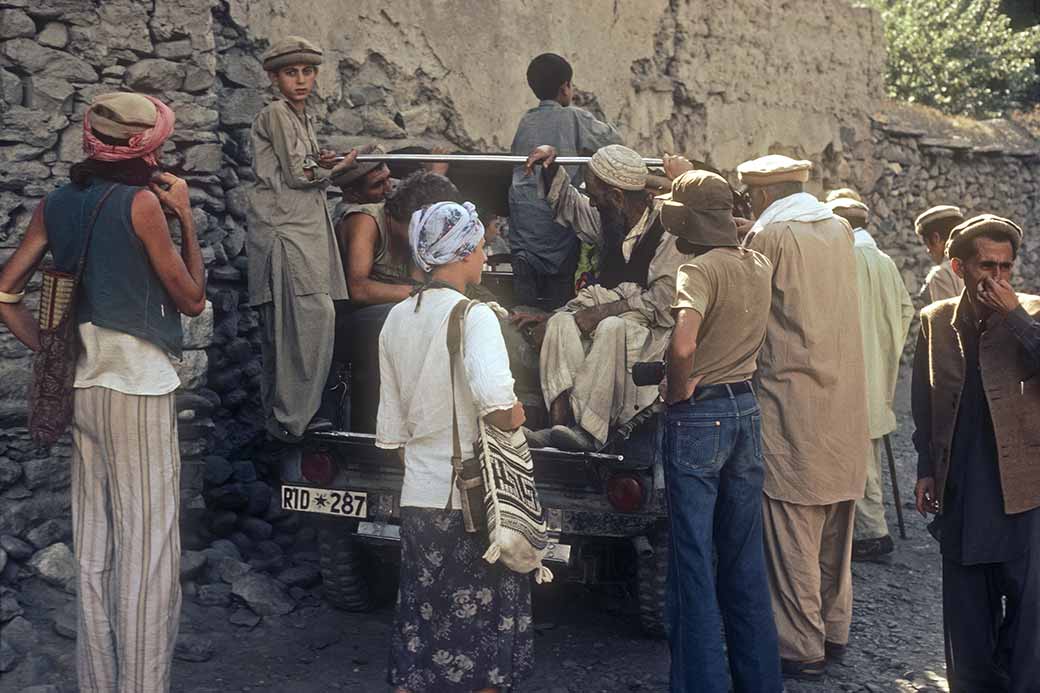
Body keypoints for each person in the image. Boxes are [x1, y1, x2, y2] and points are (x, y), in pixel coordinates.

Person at [0, 92, 205, 692]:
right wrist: (185, 216)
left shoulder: (55, 203)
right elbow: (192, 299)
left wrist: (49, 348)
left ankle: (98, 683)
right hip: (136, 387)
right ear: (145, 149)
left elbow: (5, 292)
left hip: (82, 387)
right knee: (148, 550)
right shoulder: (142, 204)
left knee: (94, 547)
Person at [376, 201, 532, 693]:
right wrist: (518, 414)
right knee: (481, 641)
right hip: (470, 503)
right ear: (462, 253)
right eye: (481, 246)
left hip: (419, 499)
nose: (485, 255)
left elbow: (392, 431)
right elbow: (497, 404)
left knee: (422, 628)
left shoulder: (396, 318)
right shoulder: (475, 316)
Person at [740, 155, 870, 681]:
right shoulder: (839, 229)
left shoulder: (769, 237)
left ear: (761, 195)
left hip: (790, 403)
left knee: (790, 527)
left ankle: (800, 646)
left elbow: (750, 317)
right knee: (837, 529)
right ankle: (834, 630)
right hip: (844, 402)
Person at [658, 170, 782, 692]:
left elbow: (684, 344)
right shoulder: (758, 263)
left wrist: (676, 389)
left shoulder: (698, 270)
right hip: (745, 411)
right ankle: (760, 682)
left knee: (692, 561)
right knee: (744, 561)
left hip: (700, 416)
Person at [911, 214, 1040, 692]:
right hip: (964, 490)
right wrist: (926, 468)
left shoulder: (1032, 312)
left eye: (1006, 267)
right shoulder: (936, 320)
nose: (998, 278)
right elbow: (924, 402)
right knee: (967, 624)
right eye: (987, 266)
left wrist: (1017, 318)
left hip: (1025, 492)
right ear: (958, 267)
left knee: (1029, 624)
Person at [518, 144, 693, 451]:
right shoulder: (612, 219)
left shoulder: (667, 230)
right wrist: (549, 167)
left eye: (597, 198)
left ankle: (590, 432)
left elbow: (663, 304)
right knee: (561, 323)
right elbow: (573, 207)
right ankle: (559, 426)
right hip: (612, 318)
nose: (592, 204)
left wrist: (602, 312)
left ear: (617, 197)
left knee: (613, 327)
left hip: (650, 331)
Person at [246, 35, 358, 441]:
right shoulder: (277, 113)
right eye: (291, 73)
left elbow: (300, 164)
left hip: (303, 229)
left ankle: (297, 414)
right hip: (286, 230)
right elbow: (298, 175)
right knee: (306, 317)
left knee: (309, 318)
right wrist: (338, 167)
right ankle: (293, 417)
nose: (301, 80)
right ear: (275, 78)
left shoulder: (301, 117)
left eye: (307, 72)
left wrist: (320, 160)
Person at [337, 170, 463, 432]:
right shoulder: (367, 221)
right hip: (354, 323)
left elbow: (422, 284)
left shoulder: (416, 239)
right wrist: (422, 294)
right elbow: (357, 289)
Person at [828, 196, 914, 561]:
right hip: (877, 369)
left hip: (849, 370)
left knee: (856, 456)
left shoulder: (843, 259)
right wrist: (886, 351)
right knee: (866, 452)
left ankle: (872, 533)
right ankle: (866, 529)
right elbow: (905, 309)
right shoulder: (884, 261)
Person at [508, 52, 623, 308]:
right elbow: (614, 142)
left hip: (522, 225)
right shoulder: (573, 116)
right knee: (558, 299)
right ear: (565, 88)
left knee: (524, 302)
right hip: (556, 226)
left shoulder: (526, 120)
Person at [915, 204, 965, 304]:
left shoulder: (941, 274)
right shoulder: (979, 264)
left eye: (928, 245)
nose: (928, 251)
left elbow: (946, 313)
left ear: (936, 238)